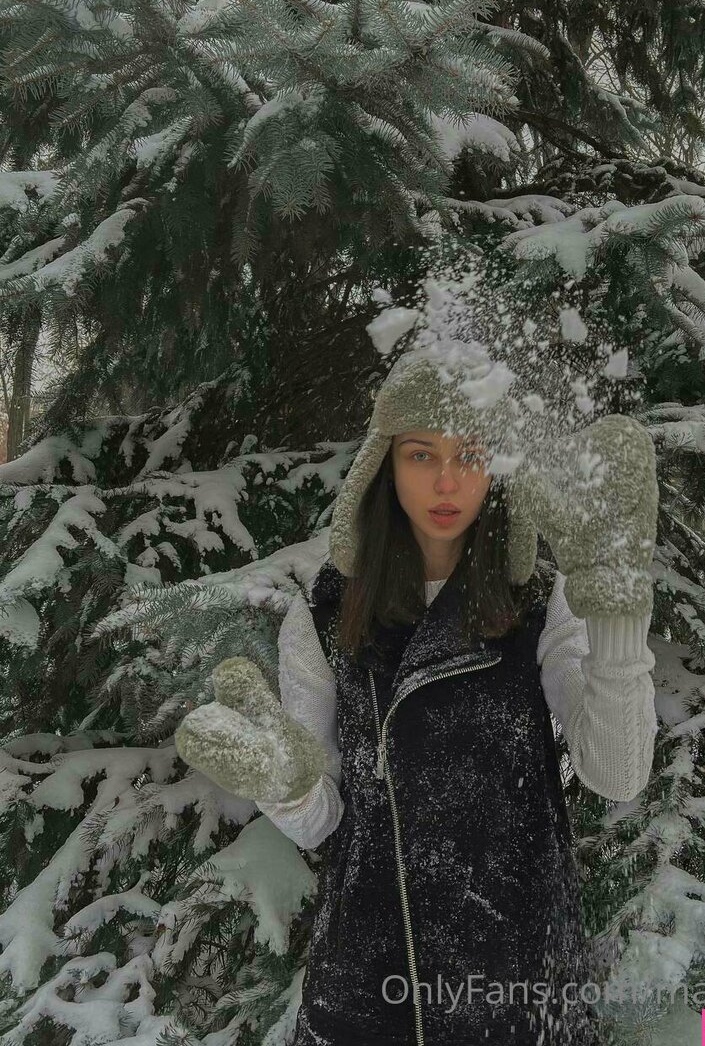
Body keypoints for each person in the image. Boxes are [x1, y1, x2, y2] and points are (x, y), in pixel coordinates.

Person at [248, 350, 661, 1046]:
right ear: (384, 464)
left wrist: (619, 619)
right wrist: (281, 784)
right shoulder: (323, 616)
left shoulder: (541, 602)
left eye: (471, 454)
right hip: (365, 996)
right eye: (421, 455)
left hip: (515, 991)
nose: (447, 480)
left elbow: (617, 775)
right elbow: (320, 824)